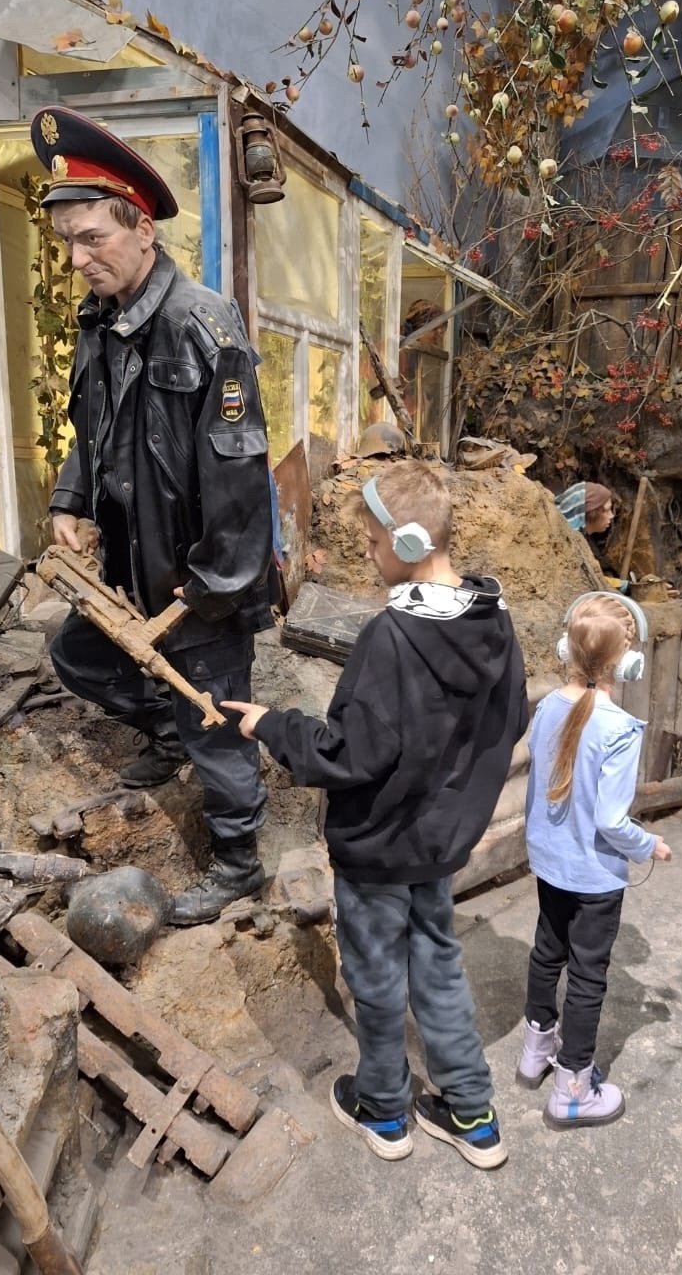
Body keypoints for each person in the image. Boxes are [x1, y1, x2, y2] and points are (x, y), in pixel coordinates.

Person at [222, 461, 528, 1168]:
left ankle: (384, 1110)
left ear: (409, 542)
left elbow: (348, 755)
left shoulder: (391, 638)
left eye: (371, 540)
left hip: (378, 847)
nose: (365, 552)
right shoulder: (493, 620)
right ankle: (472, 1114)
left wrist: (274, 726)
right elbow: (509, 720)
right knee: (438, 963)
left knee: (378, 977)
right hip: (440, 844)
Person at [30, 106, 275, 926]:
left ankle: (239, 862)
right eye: (68, 243)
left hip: (200, 575)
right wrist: (70, 498)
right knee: (78, 657)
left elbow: (241, 482)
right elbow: (92, 428)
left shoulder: (202, 327)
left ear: (143, 230)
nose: (78, 260)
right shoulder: (101, 323)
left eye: (93, 238)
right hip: (131, 563)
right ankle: (166, 733)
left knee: (217, 722)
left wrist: (208, 591)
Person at [515, 591, 672, 1130]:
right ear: (628, 662)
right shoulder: (620, 728)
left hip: (550, 865)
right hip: (594, 877)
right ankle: (573, 1090)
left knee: (547, 952)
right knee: (587, 977)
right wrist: (648, 845)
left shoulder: (545, 708)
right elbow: (610, 820)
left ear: (567, 648)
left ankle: (534, 1052)